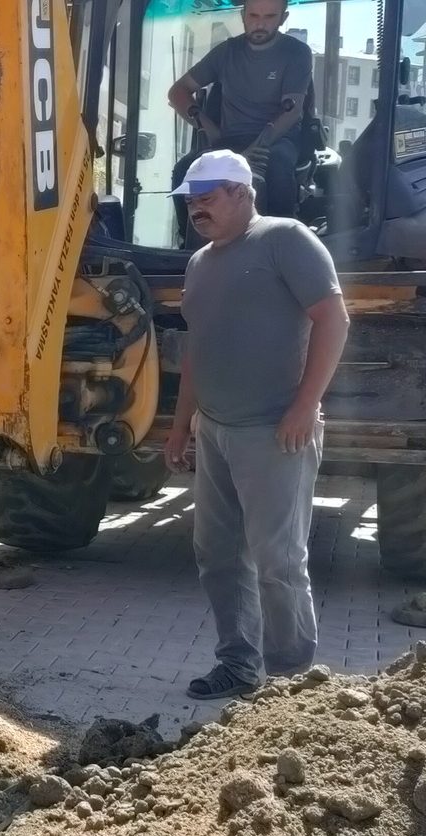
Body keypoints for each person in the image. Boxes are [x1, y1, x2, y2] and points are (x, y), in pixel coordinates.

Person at [164, 151, 349, 700]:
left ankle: (292, 685)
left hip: (275, 431)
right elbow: (196, 351)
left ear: (243, 193)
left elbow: (334, 317)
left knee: (278, 560)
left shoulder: (284, 239)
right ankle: (239, 665)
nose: (197, 208)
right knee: (217, 553)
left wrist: (305, 406)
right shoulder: (201, 264)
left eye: (209, 196)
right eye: (191, 200)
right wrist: (179, 428)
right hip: (215, 430)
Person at [166, 0, 314, 231]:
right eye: (254, 16)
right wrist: (209, 129)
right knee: (185, 170)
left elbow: (292, 111)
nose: (260, 24)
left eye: (269, 17)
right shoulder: (226, 52)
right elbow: (178, 92)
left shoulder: (297, 53)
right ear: (243, 15)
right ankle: (188, 244)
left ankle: (284, 238)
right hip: (230, 141)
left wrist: (253, 150)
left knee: (278, 167)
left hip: (276, 140)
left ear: (283, 19)